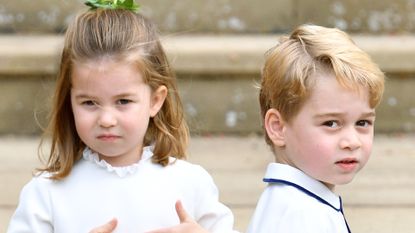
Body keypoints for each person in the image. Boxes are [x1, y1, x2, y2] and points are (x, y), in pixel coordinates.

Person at [6, 2, 236, 233]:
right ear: (70, 102)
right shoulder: (46, 194)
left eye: (123, 101)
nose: (106, 119)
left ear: (155, 101)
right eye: (89, 103)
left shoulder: (190, 183)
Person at [246, 24, 385, 233]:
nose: (352, 141)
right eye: (331, 123)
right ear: (278, 127)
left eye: (362, 123)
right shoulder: (303, 216)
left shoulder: (293, 202)